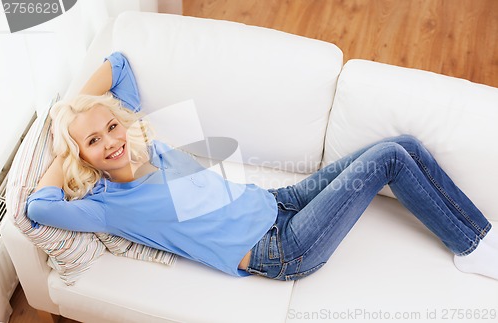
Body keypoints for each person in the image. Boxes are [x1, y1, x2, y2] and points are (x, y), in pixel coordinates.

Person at [26, 52, 498, 281]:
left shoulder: (143, 142)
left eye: (110, 126)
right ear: (80, 156)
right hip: (281, 249)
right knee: (390, 160)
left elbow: (118, 64)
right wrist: (60, 139)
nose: (111, 141)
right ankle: (476, 248)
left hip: (277, 204)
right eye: (92, 141)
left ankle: (480, 239)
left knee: (403, 143)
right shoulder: (107, 205)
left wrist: (72, 108)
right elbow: (39, 206)